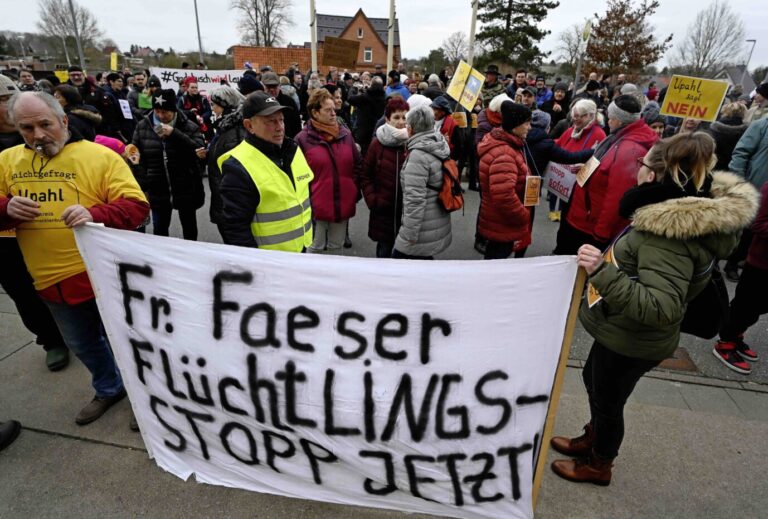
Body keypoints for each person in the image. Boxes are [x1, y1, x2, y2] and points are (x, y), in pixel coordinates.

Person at [550, 132, 758, 486]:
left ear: (656, 175)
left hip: (634, 338)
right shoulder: (663, 213)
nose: (637, 169)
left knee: (608, 400)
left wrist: (602, 271)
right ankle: (594, 437)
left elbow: (661, 307)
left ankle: (600, 463)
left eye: (642, 164)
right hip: (620, 329)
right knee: (595, 384)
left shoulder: (667, 235)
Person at [0, 91, 149, 425]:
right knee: (82, 344)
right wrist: (5, 208)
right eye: (26, 128)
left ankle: (146, 402)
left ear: (63, 121)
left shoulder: (99, 157)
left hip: (104, 275)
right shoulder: (7, 161)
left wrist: (95, 213)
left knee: (129, 342)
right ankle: (109, 388)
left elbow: (138, 208)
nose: (38, 135)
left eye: (45, 124)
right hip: (50, 281)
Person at [0, 76, 70, 371]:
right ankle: (51, 340)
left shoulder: (49, 131)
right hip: (7, 240)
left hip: (56, 231)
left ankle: (80, 332)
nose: (7, 107)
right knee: (24, 292)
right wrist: (5, 207)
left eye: (7, 99)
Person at [555, 95, 657, 255]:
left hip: (590, 226)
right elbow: (608, 170)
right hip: (583, 216)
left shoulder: (629, 150)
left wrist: (600, 235)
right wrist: (588, 169)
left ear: (620, 120)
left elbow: (617, 197)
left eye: (611, 118)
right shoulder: (620, 137)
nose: (607, 121)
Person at [218, 92, 314, 251]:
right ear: (249, 125)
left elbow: (305, 197)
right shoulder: (238, 166)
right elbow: (235, 229)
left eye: (281, 120)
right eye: (271, 121)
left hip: (303, 251)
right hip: (269, 263)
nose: (280, 127)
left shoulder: (293, 150)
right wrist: (256, 265)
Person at [132, 89, 206, 240]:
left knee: (189, 228)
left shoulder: (188, 125)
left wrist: (174, 134)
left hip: (185, 185)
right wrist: (143, 183)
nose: (160, 116)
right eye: (157, 111)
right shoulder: (142, 126)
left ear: (173, 110)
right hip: (157, 186)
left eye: (165, 112)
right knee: (160, 228)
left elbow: (198, 151)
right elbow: (136, 155)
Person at [295, 88, 361, 254]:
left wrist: (353, 189)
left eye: (334, 109)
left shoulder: (345, 135)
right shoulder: (302, 140)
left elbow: (357, 165)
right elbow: (296, 176)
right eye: (328, 110)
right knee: (314, 249)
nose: (334, 113)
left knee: (336, 250)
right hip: (315, 208)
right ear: (315, 113)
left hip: (342, 203)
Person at [713, 180, 768, 374]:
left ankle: (736, 335)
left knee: (760, 306)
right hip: (760, 262)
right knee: (746, 305)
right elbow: (758, 224)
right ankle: (726, 341)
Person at [392, 104, 452, 259]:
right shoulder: (438, 143)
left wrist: (407, 239)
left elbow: (415, 201)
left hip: (422, 229)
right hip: (435, 221)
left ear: (410, 128)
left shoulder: (418, 155)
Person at [477, 102, 533, 260]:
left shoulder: (508, 145)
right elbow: (504, 196)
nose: (530, 127)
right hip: (502, 223)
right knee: (496, 264)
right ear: (515, 126)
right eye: (527, 123)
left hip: (499, 221)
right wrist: (523, 215)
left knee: (494, 261)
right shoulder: (505, 155)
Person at [360, 97, 409, 258]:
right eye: (396, 117)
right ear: (387, 119)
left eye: (404, 117)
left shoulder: (412, 142)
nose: (401, 122)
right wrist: (373, 200)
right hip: (383, 212)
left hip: (406, 212)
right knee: (384, 252)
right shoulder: (377, 144)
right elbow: (366, 174)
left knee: (404, 257)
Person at [526, 110, 595, 222]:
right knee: (527, 217)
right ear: (547, 127)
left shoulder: (521, 137)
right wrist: (593, 151)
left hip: (518, 182)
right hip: (531, 186)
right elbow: (570, 157)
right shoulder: (546, 144)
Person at [726, 116, 768, 281]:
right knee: (743, 229)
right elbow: (740, 153)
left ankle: (748, 260)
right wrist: (740, 183)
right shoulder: (761, 126)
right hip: (753, 187)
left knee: (758, 230)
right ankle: (732, 262)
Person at [206, 85, 246, 233]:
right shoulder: (224, 128)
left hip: (230, 200)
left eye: (215, 105)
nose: (213, 109)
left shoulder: (234, 132)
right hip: (222, 196)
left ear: (225, 106)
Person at [347, 76, 386, 156]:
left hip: (363, 133)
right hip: (378, 132)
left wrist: (354, 89)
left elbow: (350, 99)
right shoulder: (384, 99)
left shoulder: (365, 97)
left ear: (371, 85)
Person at [708, 102, 749, 171]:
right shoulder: (747, 130)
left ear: (725, 111)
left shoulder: (715, 127)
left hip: (712, 164)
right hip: (733, 166)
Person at [431, 96, 460, 160]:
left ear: (443, 112)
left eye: (435, 109)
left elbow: (458, 147)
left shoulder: (453, 124)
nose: (432, 111)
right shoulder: (429, 121)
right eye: (432, 108)